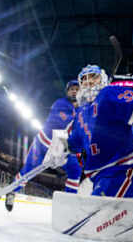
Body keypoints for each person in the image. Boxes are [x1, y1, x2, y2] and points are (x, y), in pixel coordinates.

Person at [68, 64, 133, 198]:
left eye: (93, 77)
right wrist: (63, 147)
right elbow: (74, 142)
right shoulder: (80, 113)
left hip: (124, 169)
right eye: (84, 79)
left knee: (96, 212)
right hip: (100, 176)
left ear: (103, 79)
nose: (88, 81)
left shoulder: (108, 94)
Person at [5, 80, 82, 212]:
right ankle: (12, 191)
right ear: (67, 92)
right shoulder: (61, 104)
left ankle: (69, 205)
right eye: (71, 89)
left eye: (77, 89)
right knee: (27, 171)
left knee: (75, 171)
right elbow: (63, 125)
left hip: (63, 148)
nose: (74, 91)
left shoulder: (81, 110)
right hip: (43, 146)